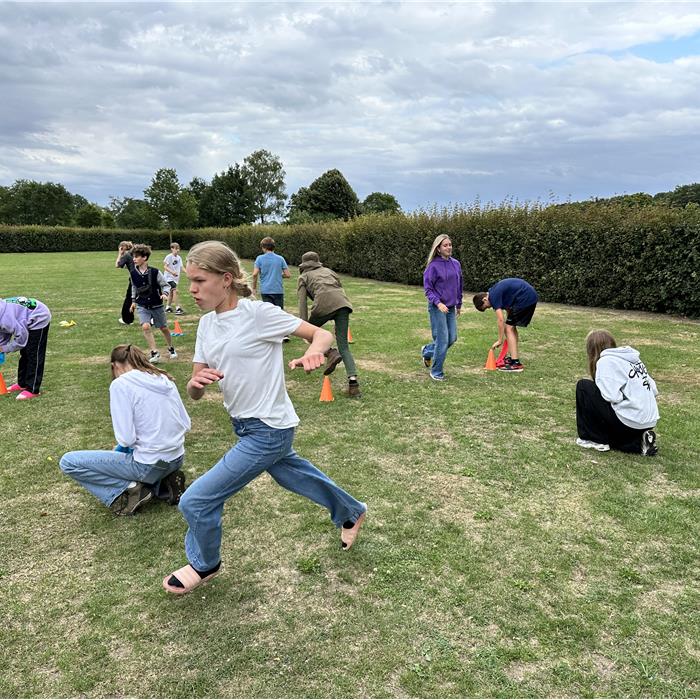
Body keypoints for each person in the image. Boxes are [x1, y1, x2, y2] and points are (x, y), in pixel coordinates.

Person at [163, 240, 367, 595]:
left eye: (199, 281)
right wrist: (195, 383)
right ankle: (351, 511)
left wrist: (315, 354)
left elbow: (321, 334)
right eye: (189, 282)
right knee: (293, 475)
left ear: (226, 279)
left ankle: (204, 563)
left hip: (268, 429)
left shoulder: (258, 314)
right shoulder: (207, 326)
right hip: (244, 426)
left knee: (197, 499)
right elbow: (196, 387)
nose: (191, 290)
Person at [59, 344, 191, 515]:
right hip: (177, 458)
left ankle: (130, 489)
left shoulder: (121, 385)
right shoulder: (163, 378)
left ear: (115, 365)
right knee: (131, 456)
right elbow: (186, 422)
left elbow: (126, 439)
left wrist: (122, 450)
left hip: (148, 465)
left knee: (69, 462)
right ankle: (166, 482)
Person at [575, 330, 659, 455]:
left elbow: (611, 396)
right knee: (619, 435)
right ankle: (639, 442)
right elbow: (654, 390)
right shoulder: (634, 360)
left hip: (630, 421)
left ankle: (594, 439)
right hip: (648, 421)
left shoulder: (605, 361)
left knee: (584, 387)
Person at [297, 251, 358, 397]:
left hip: (323, 306)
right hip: (343, 305)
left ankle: (330, 353)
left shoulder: (303, 276)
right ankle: (353, 384)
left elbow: (302, 303)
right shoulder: (329, 271)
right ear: (318, 261)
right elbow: (338, 288)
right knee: (344, 346)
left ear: (303, 264)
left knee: (310, 335)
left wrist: (304, 326)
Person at [472, 277, 538, 372]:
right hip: (528, 296)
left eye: (486, 307)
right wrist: (509, 322)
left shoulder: (493, 296)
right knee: (511, 328)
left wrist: (500, 340)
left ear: (484, 299)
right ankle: (513, 357)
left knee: (508, 329)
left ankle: (515, 364)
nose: (489, 307)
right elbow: (508, 307)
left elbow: (500, 320)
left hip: (525, 298)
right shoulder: (494, 291)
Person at [421, 234, 463, 381]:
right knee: (442, 339)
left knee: (452, 338)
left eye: (450, 244)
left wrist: (459, 304)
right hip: (437, 307)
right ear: (438, 249)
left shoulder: (456, 264)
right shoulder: (433, 266)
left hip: (451, 307)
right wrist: (438, 303)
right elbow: (428, 289)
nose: (449, 247)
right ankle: (436, 371)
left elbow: (459, 285)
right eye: (445, 245)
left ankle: (427, 351)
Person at [129, 244, 177, 364]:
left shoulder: (155, 272)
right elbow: (134, 287)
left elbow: (166, 285)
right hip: (142, 305)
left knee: (163, 328)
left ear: (144, 257)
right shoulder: (133, 273)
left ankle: (171, 348)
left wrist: (165, 294)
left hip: (157, 305)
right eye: (133, 256)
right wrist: (133, 301)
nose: (134, 259)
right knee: (145, 326)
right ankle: (154, 352)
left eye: (136, 256)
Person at [0, 295, 51, 400]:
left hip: (38, 317)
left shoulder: (6, 319)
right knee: (24, 354)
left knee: (33, 354)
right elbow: (3, 333)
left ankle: (32, 389)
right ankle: (22, 383)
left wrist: (5, 348)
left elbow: (21, 339)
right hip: (24, 319)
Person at [252, 236, 291, 341]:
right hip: (278, 289)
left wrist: (254, 287)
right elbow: (288, 274)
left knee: (268, 311)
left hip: (265, 289)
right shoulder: (280, 258)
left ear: (263, 248)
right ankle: (284, 334)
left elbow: (255, 274)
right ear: (273, 247)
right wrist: (278, 274)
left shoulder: (260, 258)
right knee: (279, 311)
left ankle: (271, 333)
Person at [115, 240, 135, 325]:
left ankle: (127, 319)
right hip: (144, 277)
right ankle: (152, 318)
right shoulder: (134, 253)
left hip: (134, 279)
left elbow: (117, 265)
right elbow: (127, 266)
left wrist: (120, 254)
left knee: (129, 300)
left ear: (122, 248)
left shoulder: (126, 255)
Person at [163, 242, 185, 315]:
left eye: (178, 249)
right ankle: (178, 308)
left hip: (175, 279)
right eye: (176, 249)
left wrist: (188, 272)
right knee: (175, 291)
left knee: (171, 293)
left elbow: (181, 267)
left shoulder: (179, 258)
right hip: (168, 278)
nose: (177, 250)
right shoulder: (169, 257)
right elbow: (165, 267)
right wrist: (172, 272)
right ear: (172, 249)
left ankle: (168, 307)